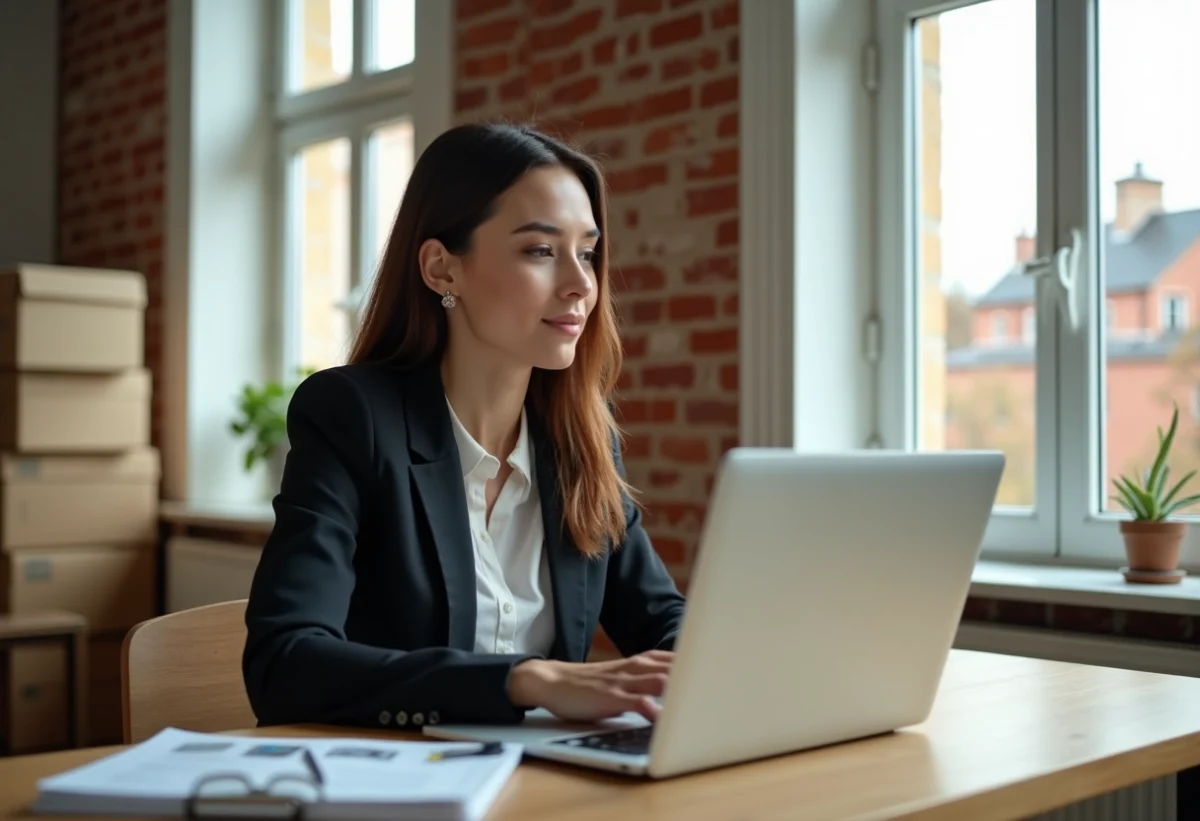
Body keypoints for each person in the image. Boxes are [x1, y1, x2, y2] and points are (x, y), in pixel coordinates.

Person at [242, 122, 687, 733]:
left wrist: (705, 666)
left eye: (586, 251)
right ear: (441, 270)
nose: (582, 283)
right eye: (540, 250)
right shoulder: (352, 418)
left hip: (545, 783)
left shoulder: (581, 442)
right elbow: (284, 663)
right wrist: (524, 679)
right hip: (397, 786)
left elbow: (663, 620)